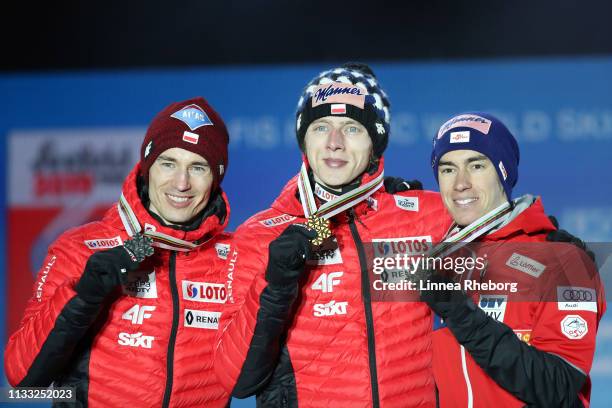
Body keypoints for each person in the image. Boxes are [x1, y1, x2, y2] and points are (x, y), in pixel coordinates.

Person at [214, 63, 451, 407]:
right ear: (304, 139)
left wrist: (538, 238)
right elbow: (236, 380)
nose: (334, 143)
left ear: (375, 143)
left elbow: (527, 280)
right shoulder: (261, 235)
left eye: (352, 128)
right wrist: (275, 285)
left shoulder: (426, 215)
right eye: (321, 126)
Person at [5, 97, 233, 407]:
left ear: (216, 178)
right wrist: (84, 297)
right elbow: (22, 377)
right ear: (147, 168)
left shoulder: (235, 257)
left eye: (198, 167)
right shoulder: (80, 248)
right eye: (168, 163)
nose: (181, 183)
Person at [423, 112, 606, 407]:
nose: (460, 183)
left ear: (503, 173)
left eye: (477, 165)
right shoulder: (435, 261)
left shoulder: (563, 262)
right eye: (447, 169)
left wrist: (460, 314)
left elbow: (557, 387)